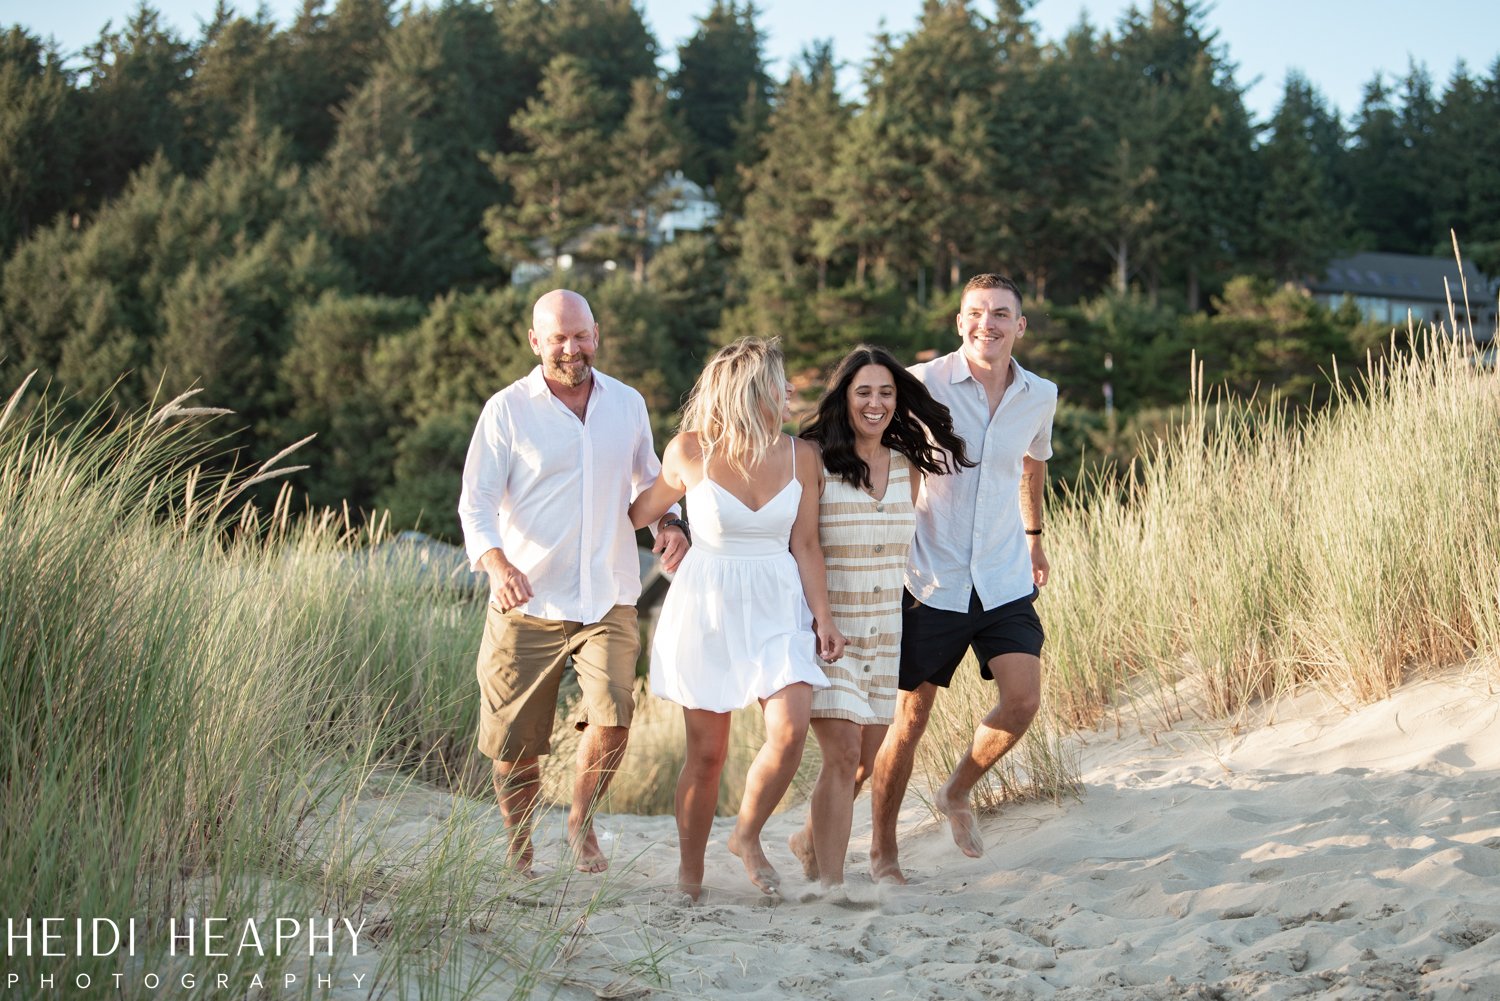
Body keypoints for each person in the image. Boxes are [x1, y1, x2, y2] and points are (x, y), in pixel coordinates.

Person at [458, 289, 689, 875]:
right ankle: (519, 842)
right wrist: (497, 563)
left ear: (597, 334)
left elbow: (651, 481)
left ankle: (582, 824)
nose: (571, 347)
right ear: (535, 341)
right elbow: (476, 503)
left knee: (613, 717)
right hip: (527, 600)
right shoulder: (507, 410)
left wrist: (671, 523)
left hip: (609, 594)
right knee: (514, 744)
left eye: (580, 334)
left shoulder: (627, 403)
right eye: (558, 337)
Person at [628, 336, 845, 901]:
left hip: (778, 604)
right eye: (781, 380)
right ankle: (690, 876)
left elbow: (807, 546)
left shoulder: (802, 456)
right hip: (709, 611)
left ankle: (746, 836)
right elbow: (640, 512)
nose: (792, 389)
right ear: (752, 390)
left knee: (791, 728)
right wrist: (670, 525)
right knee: (706, 755)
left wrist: (823, 618)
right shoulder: (690, 451)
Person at [869, 273, 1057, 885]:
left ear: (1020, 327)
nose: (988, 324)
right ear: (959, 321)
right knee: (909, 719)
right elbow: (887, 459)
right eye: (976, 312)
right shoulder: (922, 383)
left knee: (1023, 698)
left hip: (1002, 576)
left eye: (1002, 314)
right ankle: (882, 851)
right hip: (932, 575)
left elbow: (1034, 462)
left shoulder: (1039, 394)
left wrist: (1034, 538)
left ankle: (957, 790)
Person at [788, 345, 975, 890]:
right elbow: (805, 545)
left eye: (886, 393)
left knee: (865, 761)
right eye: (863, 392)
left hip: (884, 628)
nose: (875, 403)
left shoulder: (906, 466)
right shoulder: (813, 458)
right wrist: (823, 620)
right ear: (844, 397)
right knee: (843, 754)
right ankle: (832, 885)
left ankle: (808, 842)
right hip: (830, 627)